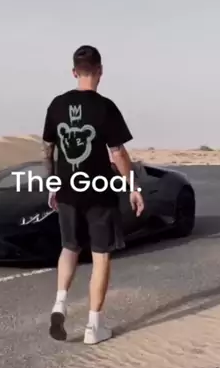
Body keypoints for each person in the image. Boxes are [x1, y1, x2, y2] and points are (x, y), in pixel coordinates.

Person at [41, 45, 144, 345]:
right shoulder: (105, 107)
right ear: (100, 71)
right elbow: (118, 153)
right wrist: (133, 187)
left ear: (74, 72)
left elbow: (48, 149)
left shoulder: (57, 105)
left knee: (69, 247)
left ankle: (60, 302)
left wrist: (52, 183)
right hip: (99, 191)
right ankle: (93, 327)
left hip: (67, 189)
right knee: (100, 256)